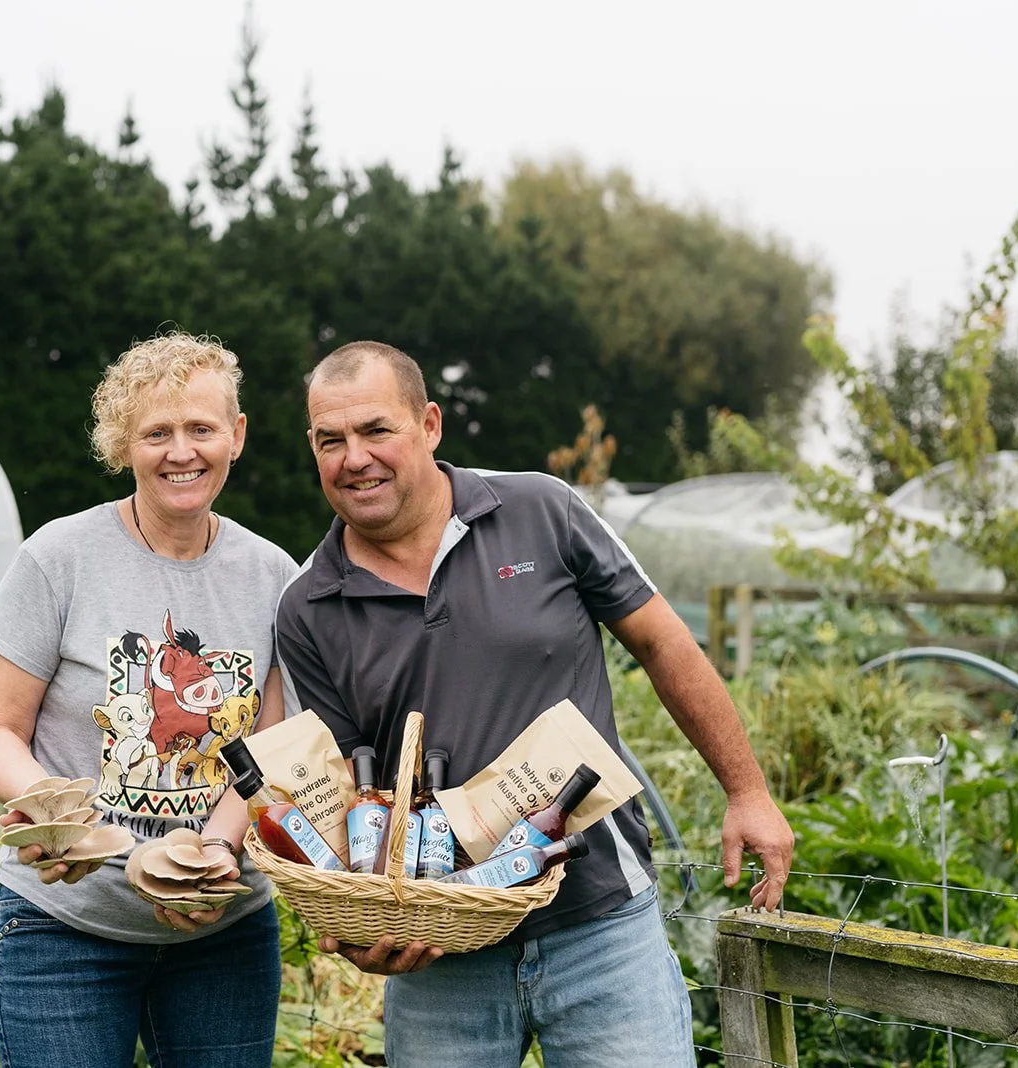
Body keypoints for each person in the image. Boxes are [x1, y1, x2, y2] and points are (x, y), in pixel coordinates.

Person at [274, 340, 795, 1067]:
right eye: (330, 440)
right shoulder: (308, 605)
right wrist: (360, 927)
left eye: (375, 430)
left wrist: (747, 790)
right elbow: (338, 799)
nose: (354, 458)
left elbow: (664, 643)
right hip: (441, 957)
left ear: (429, 424)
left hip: (600, 924)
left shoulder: (540, 511)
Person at [0, 332, 298, 1068]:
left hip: (223, 930)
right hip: (66, 924)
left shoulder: (275, 576)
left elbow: (271, 751)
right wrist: (59, 817)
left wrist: (216, 854)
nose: (182, 452)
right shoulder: (58, 559)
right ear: (123, 445)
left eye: (201, 428)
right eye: (156, 433)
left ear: (236, 435)